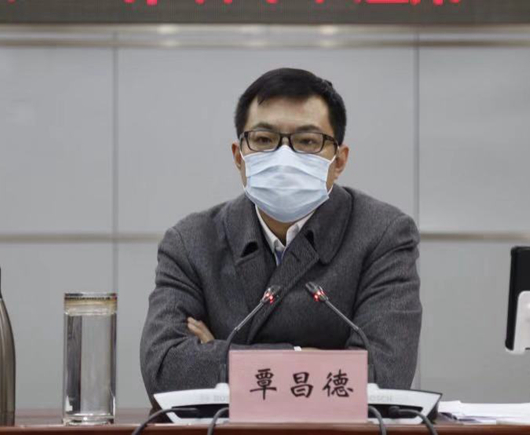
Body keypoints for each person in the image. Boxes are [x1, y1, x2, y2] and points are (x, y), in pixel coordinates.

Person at [140, 68, 422, 406]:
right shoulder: (191, 242)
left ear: (339, 161)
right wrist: (311, 358)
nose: (284, 157)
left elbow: (385, 375)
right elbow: (164, 370)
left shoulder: (382, 234)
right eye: (263, 140)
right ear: (239, 157)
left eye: (308, 141)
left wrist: (223, 355)